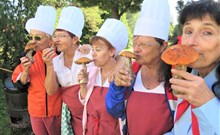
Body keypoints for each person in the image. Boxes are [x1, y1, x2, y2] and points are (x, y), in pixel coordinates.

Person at [105, 0, 178, 134]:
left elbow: (185, 124)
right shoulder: (129, 73)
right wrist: (116, 87)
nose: (136, 49)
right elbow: (114, 111)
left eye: (144, 45)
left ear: (163, 46)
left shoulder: (176, 78)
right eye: (135, 43)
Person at [165, 0, 220, 135]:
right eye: (188, 31)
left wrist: (208, 103)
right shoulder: (187, 79)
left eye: (207, 32)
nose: (190, 42)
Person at [43, 6, 93, 135]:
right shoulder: (55, 61)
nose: (56, 40)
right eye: (55, 36)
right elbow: (50, 90)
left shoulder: (90, 55)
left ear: (75, 39)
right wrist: (49, 66)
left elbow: (114, 58)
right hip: (72, 117)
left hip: (92, 114)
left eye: (62, 36)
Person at [12, 6, 62, 135]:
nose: (33, 42)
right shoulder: (28, 56)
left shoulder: (61, 56)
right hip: (35, 112)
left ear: (50, 40)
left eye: (38, 38)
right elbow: (19, 85)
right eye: (31, 37)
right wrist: (26, 70)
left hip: (57, 112)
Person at [78, 18, 128, 135]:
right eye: (93, 49)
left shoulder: (121, 76)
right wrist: (83, 85)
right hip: (91, 129)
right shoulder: (91, 72)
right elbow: (85, 102)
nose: (93, 53)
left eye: (98, 49)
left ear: (112, 52)